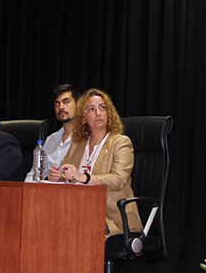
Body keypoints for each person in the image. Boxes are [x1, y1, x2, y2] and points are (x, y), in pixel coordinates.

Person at [50, 88, 142, 238]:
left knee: (71, 234)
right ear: (83, 117)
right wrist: (56, 175)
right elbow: (65, 172)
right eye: (91, 109)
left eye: (102, 108)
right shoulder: (77, 145)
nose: (98, 113)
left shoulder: (120, 143)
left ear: (108, 113)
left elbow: (118, 179)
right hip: (78, 213)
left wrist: (85, 178)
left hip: (111, 219)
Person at [25, 83, 79, 182]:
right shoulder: (51, 140)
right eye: (57, 104)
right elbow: (34, 174)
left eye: (66, 102)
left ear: (78, 105)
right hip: (48, 194)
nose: (61, 107)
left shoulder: (86, 139)